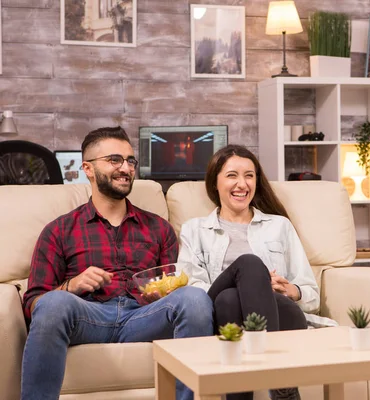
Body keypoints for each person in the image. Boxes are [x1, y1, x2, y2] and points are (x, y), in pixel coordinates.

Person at [21, 127, 213, 400]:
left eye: (130, 160)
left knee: (194, 299)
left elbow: (173, 289)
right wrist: (71, 286)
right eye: (114, 160)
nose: (125, 168)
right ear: (87, 168)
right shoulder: (59, 230)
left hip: (143, 317)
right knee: (53, 303)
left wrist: (162, 294)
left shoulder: (159, 228)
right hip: (89, 316)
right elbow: (33, 303)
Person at [177, 144, 319, 400]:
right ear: (215, 182)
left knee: (235, 299)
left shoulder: (279, 226)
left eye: (249, 176)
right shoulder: (195, 230)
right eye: (232, 175)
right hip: (215, 306)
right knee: (249, 266)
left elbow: (311, 292)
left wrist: (290, 290)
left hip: (277, 310)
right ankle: (281, 386)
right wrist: (251, 278)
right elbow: (194, 289)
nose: (242, 184)